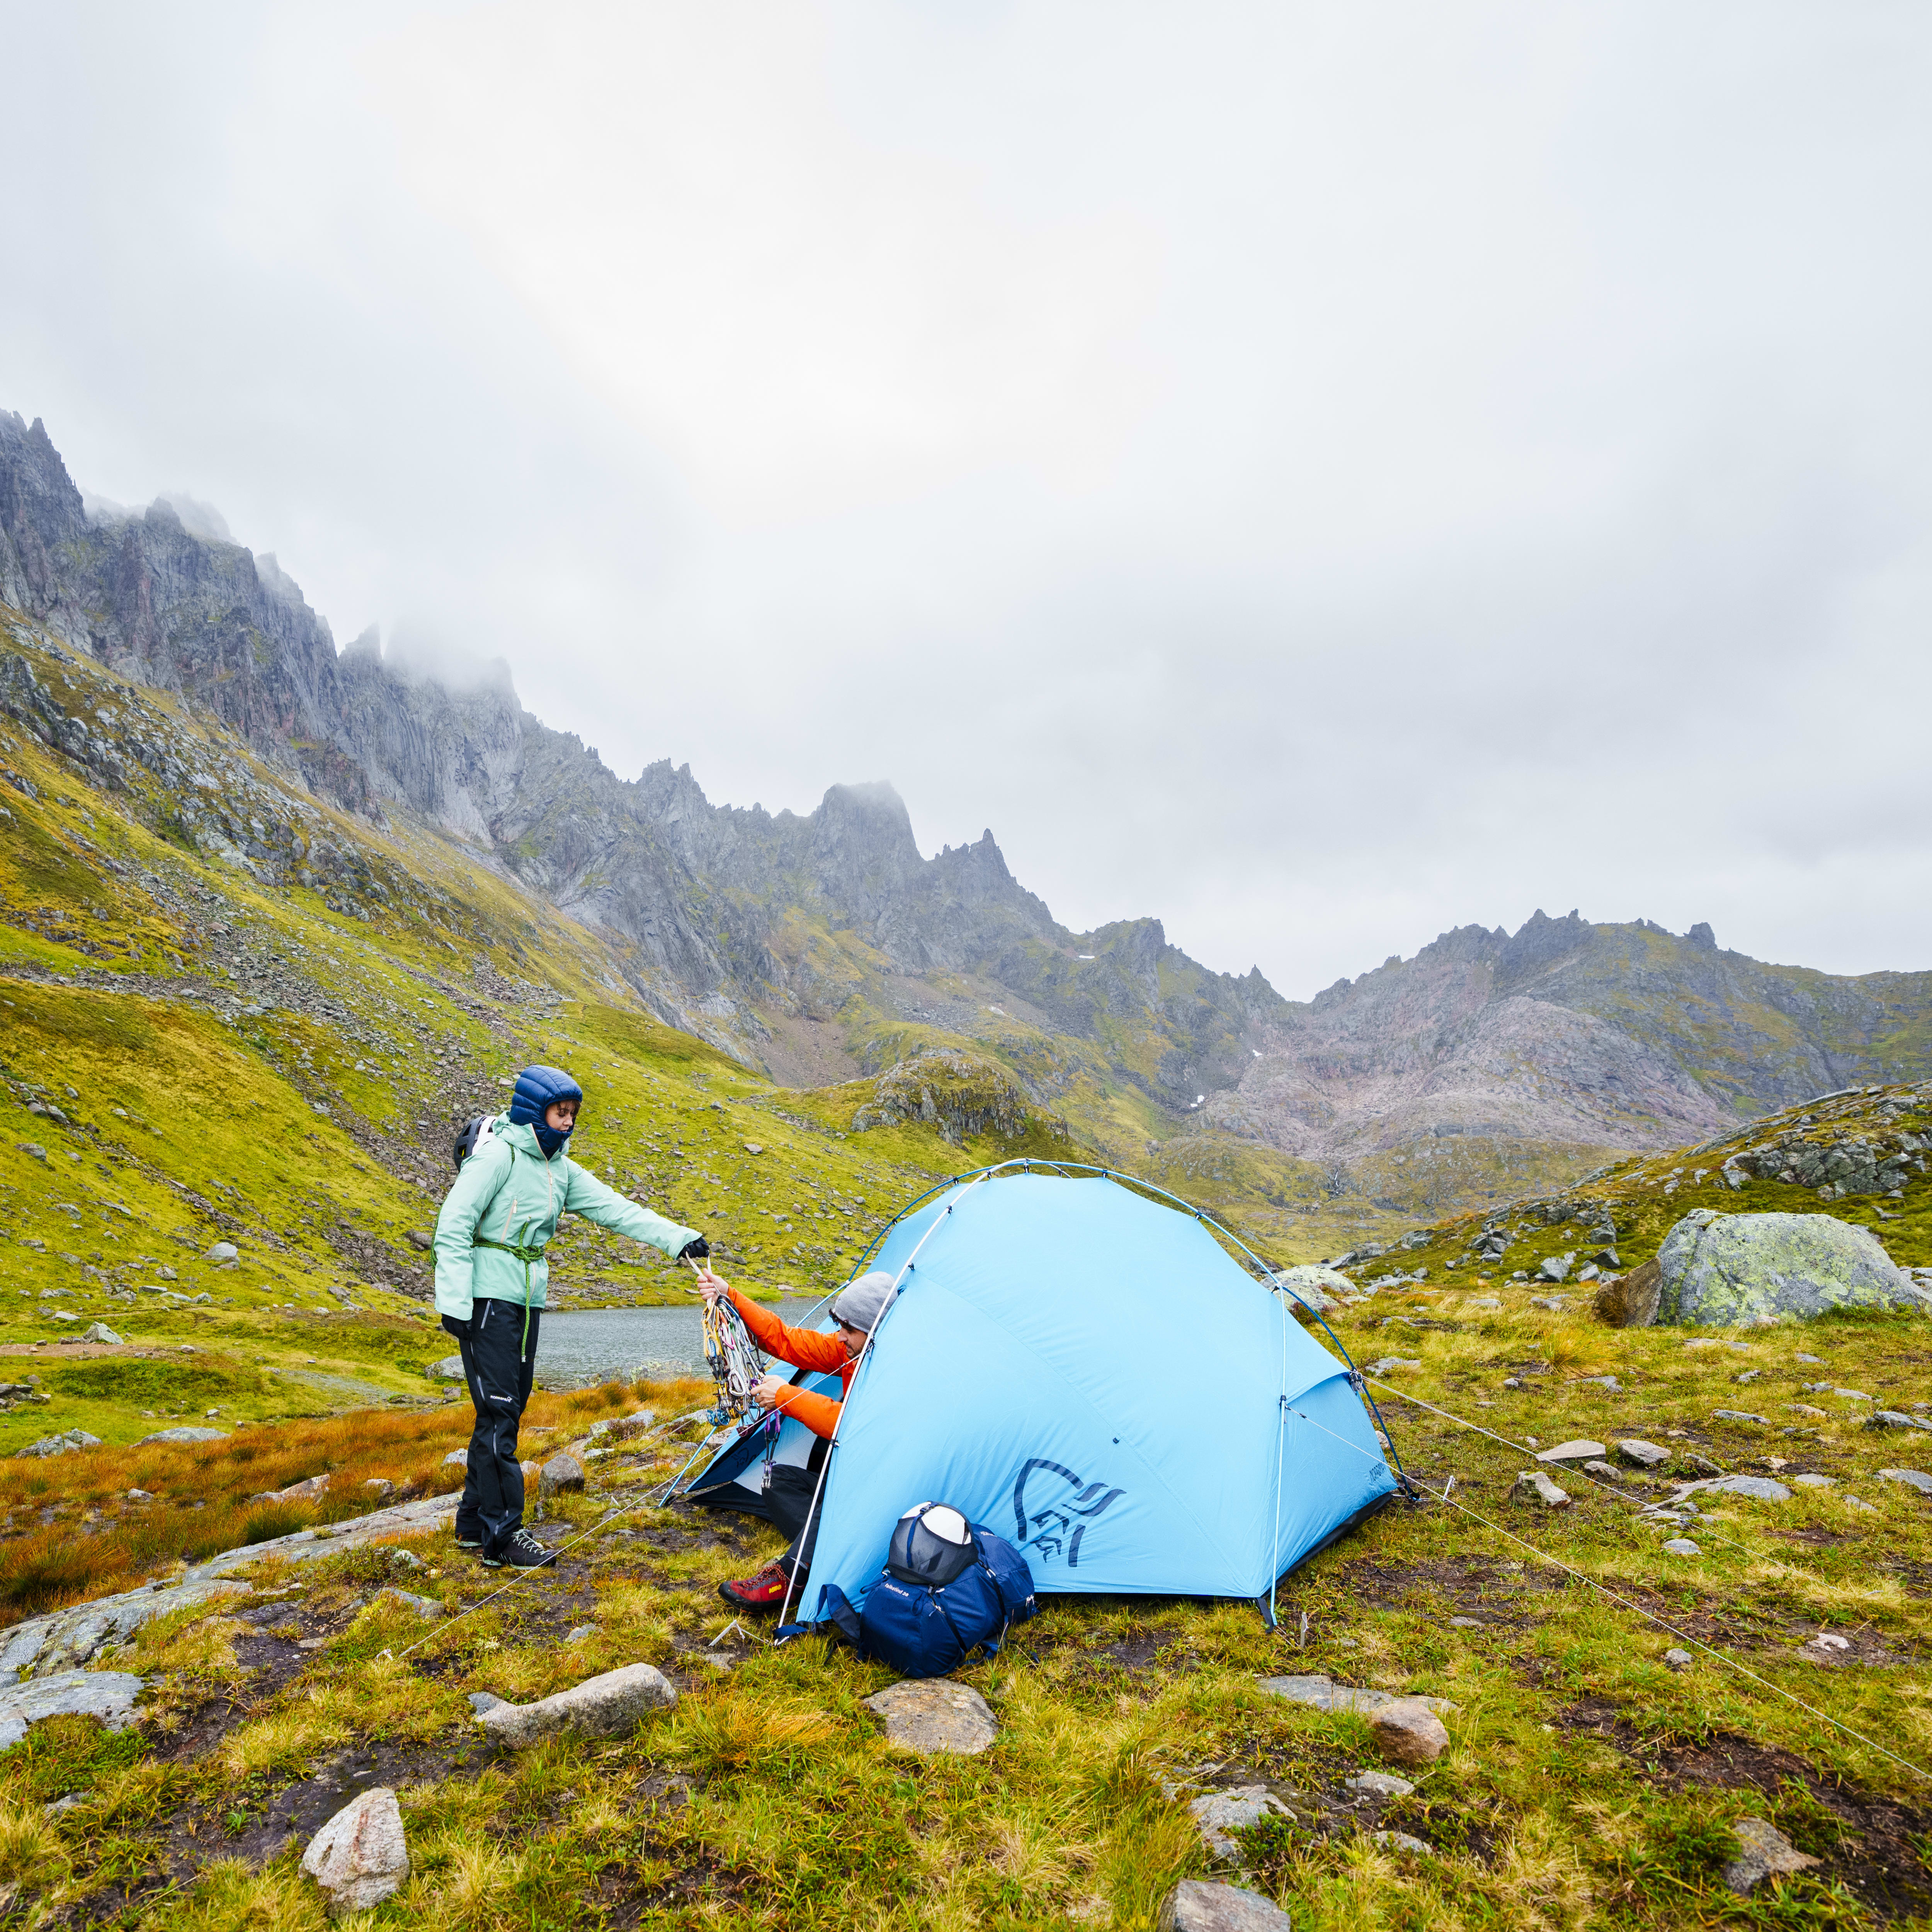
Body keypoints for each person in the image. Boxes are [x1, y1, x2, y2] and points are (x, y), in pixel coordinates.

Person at [435, 1063, 704, 1568]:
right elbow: (454, 1224)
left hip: (526, 1299)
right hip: (486, 1299)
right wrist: (454, 1302)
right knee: (499, 1410)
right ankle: (502, 1536)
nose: (569, 1123)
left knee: (505, 1408)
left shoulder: (560, 1168)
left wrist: (679, 1238)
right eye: (562, 1112)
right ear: (536, 1110)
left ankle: (473, 1525)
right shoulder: (497, 1158)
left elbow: (616, 1208)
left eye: (574, 1114)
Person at [701, 1265, 896, 1610]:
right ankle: (839, 1554)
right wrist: (728, 1295)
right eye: (839, 1326)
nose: (839, 1336)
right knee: (775, 1479)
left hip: (886, 1484)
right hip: (854, 1475)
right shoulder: (852, 1351)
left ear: (874, 1330)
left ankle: (792, 1574)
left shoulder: (897, 1371)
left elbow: (853, 1425)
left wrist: (787, 1396)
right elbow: (785, 1340)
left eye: (848, 1329)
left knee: (839, 1493)